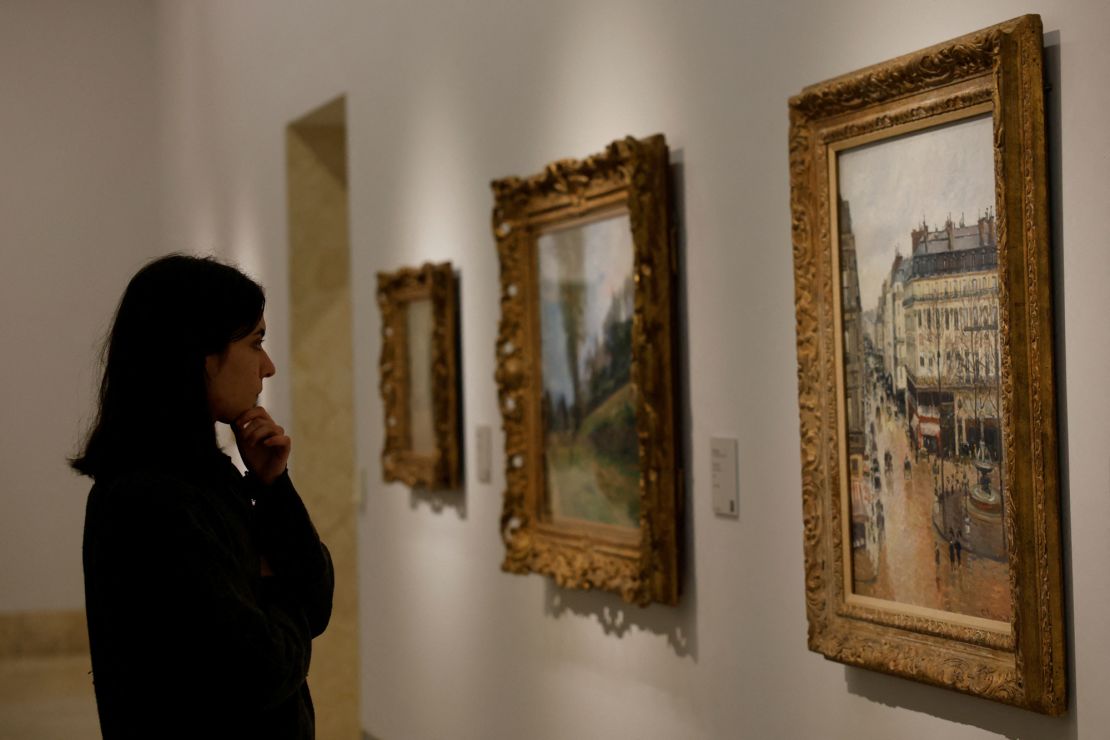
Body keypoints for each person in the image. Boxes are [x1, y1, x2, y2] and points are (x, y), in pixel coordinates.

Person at [72, 254, 334, 738]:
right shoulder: (149, 500)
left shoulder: (208, 477)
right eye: (255, 342)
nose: (269, 367)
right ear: (200, 355)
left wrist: (273, 487)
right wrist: (279, 588)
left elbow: (316, 603)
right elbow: (261, 671)